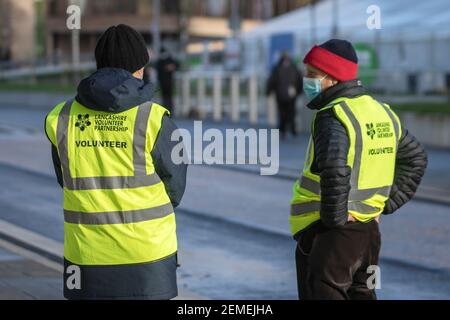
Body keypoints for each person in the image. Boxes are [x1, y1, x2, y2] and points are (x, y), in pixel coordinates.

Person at [44, 24, 187, 300]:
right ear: (138, 69)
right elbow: (175, 186)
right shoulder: (155, 118)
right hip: (148, 257)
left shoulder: (63, 117)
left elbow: (66, 179)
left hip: (87, 257)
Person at [289, 39, 428, 300]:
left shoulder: (333, 115)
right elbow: (417, 159)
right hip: (369, 233)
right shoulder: (380, 111)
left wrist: (334, 222)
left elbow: (334, 170)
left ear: (332, 78)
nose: (306, 80)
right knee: (362, 293)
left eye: (312, 74)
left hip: (332, 233)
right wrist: (382, 206)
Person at [266, 51, 303, 139]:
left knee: (282, 112)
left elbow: (272, 81)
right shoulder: (294, 68)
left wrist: (268, 91)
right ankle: (293, 129)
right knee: (292, 112)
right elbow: (300, 80)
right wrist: (299, 91)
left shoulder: (277, 68)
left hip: (280, 94)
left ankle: (283, 130)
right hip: (292, 94)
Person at [155, 47, 179, 114]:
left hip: (169, 82)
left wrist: (172, 67)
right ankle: (166, 111)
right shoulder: (160, 61)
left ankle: (170, 111)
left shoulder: (169, 60)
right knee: (165, 98)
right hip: (163, 82)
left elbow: (177, 65)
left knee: (169, 97)